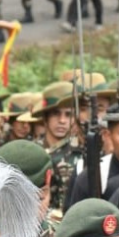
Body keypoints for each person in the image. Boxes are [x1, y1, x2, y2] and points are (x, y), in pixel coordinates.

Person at [32, 81, 82, 213]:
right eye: (56, 114)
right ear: (45, 118)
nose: (62, 120)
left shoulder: (81, 152)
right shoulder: (32, 151)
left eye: (68, 114)